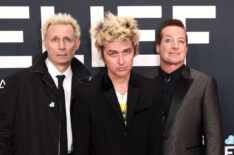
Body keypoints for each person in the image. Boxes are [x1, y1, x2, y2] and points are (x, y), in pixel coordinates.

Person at [0, 13, 93, 155]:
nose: (61, 46)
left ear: (77, 43)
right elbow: (3, 137)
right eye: (55, 40)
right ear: (45, 43)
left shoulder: (91, 85)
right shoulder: (18, 84)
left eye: (67, 40)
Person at [72, 12, 162, 155]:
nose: (121, 61)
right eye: (113, 53)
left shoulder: (150, 90)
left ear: (134, 52)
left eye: (126, 52)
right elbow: (81, 149)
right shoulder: (86, 95)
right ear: (102, 55)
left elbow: (156, 146)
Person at [143, 19, 223, 155]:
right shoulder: (142, 81)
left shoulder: (204, 83)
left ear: (186, 48)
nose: (175, 46)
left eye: (181, 41)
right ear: (158, 47)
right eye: (168, 40)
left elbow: (214, 137)